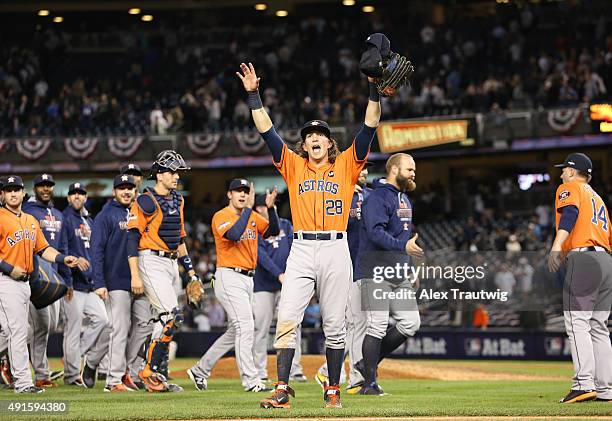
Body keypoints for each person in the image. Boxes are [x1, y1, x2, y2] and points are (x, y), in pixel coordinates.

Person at [237, 61, 380, 409]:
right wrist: (254, 95)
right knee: (287, 316)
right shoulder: (293, 164)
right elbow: (267, 132)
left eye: (319, 136)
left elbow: (369, 125)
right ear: (304, 146)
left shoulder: (347, 164)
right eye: (308, 137)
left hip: (335, 249)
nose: (313, 138)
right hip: (301, 248)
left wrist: (375, 89)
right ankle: (282, 389)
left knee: (334, 324)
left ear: (329, 144)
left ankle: (332, 389)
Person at [187, 179, 279, 392]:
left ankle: (200, 370)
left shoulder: (252, 216)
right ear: (229, 194)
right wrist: (248, 210)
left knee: (234, 331)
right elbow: (234, 234)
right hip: (229, 276)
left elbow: (272, 231)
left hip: (247, 279)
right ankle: (251, 380)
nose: (242, 194)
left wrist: (271, 208)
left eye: (246, 191)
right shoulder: (221, 216)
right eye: (238, 191)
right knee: (246, 327)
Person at [127, 150, 198, 393]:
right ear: (159, 175)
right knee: (172, 317)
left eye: (177, 172)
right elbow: (132, 239)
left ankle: (154, 373)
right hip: (151, 260)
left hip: (171, 264)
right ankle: (148, 372)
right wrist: (135, 274)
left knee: (164, 322)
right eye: (171, 172)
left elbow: (179, 237)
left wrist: (191, 273)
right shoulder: (145, 200)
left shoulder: (178, 199)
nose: (176, 176)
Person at [0, 175, 77, 393]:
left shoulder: (30, 221)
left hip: (25, 283)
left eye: (17, 189)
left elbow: (43, 249)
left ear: (24, 193)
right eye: (9, 189)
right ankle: (24, 384)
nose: (14, 193)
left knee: (17, 331)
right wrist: (7, 268)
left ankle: (21, 379)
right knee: (18, 331)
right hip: (6, 281)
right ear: (3, 194)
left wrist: (63, 258)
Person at [547, 153, 612, 404]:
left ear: (573, 172)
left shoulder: (571, 187)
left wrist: (556, 245)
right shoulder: (598, 199)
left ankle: (583, 383)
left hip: (584, 258)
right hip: (605, 260)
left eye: (564, 169)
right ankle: (605, 389)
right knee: (598, 326)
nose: (562, 173)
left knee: (577, 322)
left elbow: (570, 214)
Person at [358, 153, 423, 395]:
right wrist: (402, 248)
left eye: (414, 169)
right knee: (376, 326)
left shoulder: (404, 198)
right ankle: (369, 383)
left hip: (398, 270)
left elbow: (404, 239)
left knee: (410, 323)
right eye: (409, 169)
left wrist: (409, 267)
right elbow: (375, 233)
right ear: (394, 170)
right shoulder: (377, 198)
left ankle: (367, 364)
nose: (414, 173)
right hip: (375, 269)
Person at [316, 163, 372, 394]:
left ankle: (331, 372)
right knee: (351, 322)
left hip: (364, 267)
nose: (365, 173)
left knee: (360, 323)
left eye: (367, 169)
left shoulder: (370, 196)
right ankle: (345, 376)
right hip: (344, 265)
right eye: (361, 169)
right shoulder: (339, 194)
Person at [90, 174, 148, 392]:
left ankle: (128, 372)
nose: (126, 191)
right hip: (116, 280)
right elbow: (96, 251)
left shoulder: (140, 211)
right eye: (122, 188)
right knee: (120, 329)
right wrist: (99, 282)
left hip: (141, 281)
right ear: (114, 192)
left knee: (145, 324)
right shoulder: (105, 215)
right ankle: (113, 380)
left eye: (130, 188)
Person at [251, 193, 306, 383]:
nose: (266, 208)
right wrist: (279, 274)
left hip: (288, 283)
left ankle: (295, 369)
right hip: (264, 285)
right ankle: (259, 370)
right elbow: (261, 256)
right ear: (258, 208)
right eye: (264, 206)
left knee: (292, 325)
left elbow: (294, 248)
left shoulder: (285, 225)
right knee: (261, 328)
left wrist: (292, 274)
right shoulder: (255, 227)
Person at [61, 182, 110, 388]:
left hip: (89, 284)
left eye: (80, 193)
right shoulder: (64, 219)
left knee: (104, 321)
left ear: (86, 197)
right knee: (72, 330)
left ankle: (78, 355)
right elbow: (61, 250)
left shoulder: (89, 221)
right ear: (68, 198)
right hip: (73, 285)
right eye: (73, 193)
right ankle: (72, 375)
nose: (77, 196)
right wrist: (68, 281)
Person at [22, 173, 69, 388]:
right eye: (41, 185)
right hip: (35, 277)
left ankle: (30, 368)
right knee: (38, 327)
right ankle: (40, 373)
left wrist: (67, 280)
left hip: (55, 277)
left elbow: (63, 247)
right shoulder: (28, 212)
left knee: (47, 327)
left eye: (48, 185)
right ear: (34, 188)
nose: (45, 188)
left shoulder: (58, 214)